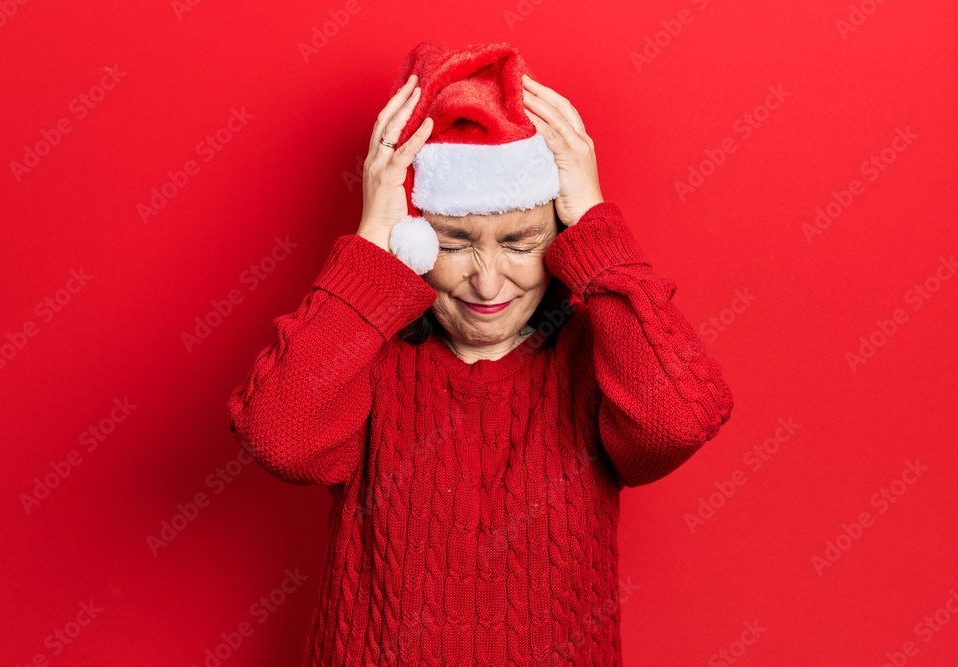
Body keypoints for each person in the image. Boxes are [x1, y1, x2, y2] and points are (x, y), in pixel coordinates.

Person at [227, 40, 734, 667]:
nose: (489, 284)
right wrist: (368, 244)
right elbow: (277, 433)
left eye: (521, 245)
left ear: (562, 239)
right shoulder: (369, 362)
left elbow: (681, 417)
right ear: (408, 237)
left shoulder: (593, 362)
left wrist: (598, 227)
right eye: (454, 244)